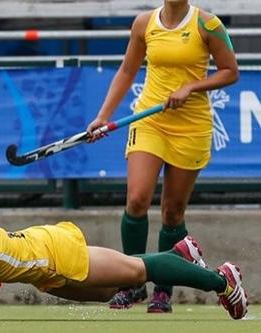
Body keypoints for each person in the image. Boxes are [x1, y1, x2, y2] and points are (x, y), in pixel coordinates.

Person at [0, 178, 247, 322]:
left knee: (135, 273)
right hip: (45, 273)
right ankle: (180, 255)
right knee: (111, 289)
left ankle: (221, 280)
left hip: (53, 253)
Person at [85, 0, 239, 313]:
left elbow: (230, 72)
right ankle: (131, 283)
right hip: (150, 119)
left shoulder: (208, 25)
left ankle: (163, 291)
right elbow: (128, 70)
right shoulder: (144, 23)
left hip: (191, 126)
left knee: (172, 212)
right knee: (137, 200)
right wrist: (103, 116)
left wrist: (192, 87)